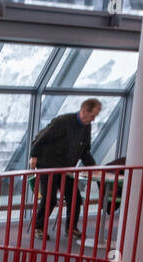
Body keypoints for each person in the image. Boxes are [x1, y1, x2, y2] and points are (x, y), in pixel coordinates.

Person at [30, 98, 101, 239]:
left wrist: (93, 166)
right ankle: (38, 228)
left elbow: (84, 151)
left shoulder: (86, 127)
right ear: (84, 110)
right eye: (92, 115)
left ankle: (71, 228)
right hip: (48, 165)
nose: (93, 120)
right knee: (49, 198)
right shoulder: (62, 122)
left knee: (75, 198)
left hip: (66, 168)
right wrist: (34, 155)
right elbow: (41, 138)